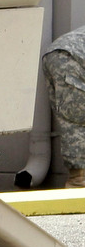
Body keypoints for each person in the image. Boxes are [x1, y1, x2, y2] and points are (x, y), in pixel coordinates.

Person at [42, 26, 85, 189]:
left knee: (70, 117)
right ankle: (77, 182)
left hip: (59, 54)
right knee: (77, 120)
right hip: (71, 57)